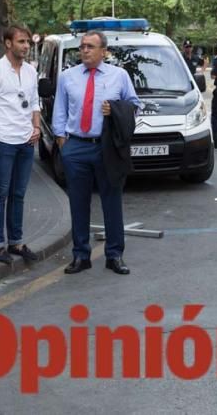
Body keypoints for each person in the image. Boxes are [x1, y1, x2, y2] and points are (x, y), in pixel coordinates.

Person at [51, 30, 140, 276]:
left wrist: (116, 109)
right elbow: (59, 110)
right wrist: (62, 142)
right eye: (82, 47)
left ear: (104, 51)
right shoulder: (67, 77)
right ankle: (81, 255)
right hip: (76, 146)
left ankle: (114, 255)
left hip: (106, 147)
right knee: (78, 203)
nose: (85, 51)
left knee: (111, 201)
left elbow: (135, 106)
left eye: (90, 47)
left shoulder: (119, 76)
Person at [0, 26, 41, 265]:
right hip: (2, 140)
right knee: (0, 193)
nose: (26, 46)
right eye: (21, 41)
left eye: (28, 43)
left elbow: (34, 102)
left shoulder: (31, 71)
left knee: (19, 194)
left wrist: (36, 127)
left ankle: (16, 242)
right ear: (8, 43)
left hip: (26, 140)